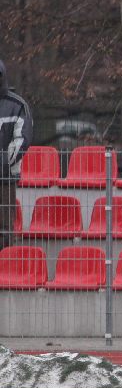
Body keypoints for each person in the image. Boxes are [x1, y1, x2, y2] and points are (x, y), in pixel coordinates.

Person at [0, 60, 33, 250]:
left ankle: (4, 270)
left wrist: (3, 161)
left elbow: (23, 139)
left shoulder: (18, 105)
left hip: (6, 178)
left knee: (4, 228)